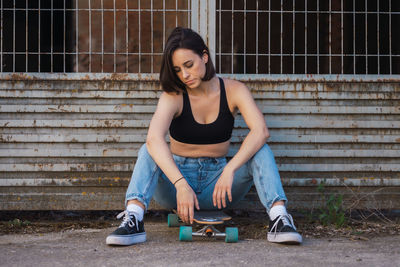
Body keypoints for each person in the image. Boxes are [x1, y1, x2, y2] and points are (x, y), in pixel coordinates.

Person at [106, 27, 302, 246]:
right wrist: (180, 184)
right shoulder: (174, 96)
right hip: (176, 188)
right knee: (149, 149)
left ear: (205, 57)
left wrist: (230, 169)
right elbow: (154, 139)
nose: (185, 75)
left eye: (189, 65)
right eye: (178, 70)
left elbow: (260, 131)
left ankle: (279, 219)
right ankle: (133, 218)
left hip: (219, 185)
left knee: (261, 150)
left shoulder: (234, 90)